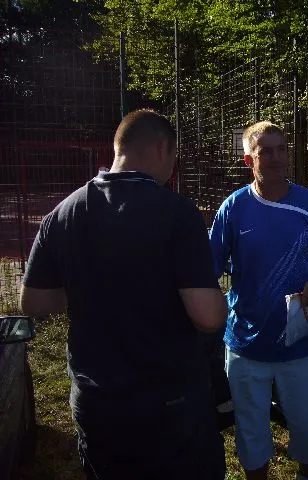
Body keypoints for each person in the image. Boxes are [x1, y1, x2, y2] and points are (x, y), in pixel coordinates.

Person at [20, 109, 228, 480]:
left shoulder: (64, 212)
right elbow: (208, 316)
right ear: (162, 148)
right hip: (169, 407)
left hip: (97, 402)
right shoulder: (177, 212)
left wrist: (86, 285)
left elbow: (33, 302)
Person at [209, 120, 308, 480]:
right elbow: (208, 269)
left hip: (304, 341)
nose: (276, 158)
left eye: (281, 149)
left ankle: (305, 473)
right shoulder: (233, 208)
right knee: (250, 427)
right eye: (265, 151)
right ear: (248, 160)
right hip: (247, 342)